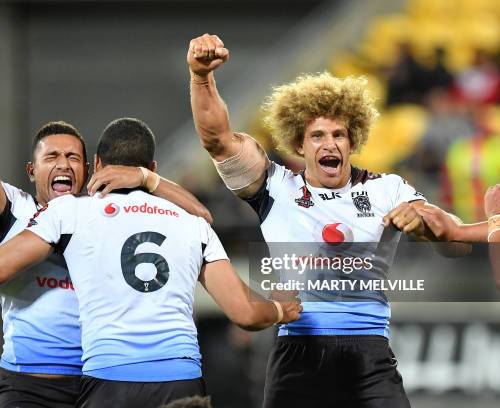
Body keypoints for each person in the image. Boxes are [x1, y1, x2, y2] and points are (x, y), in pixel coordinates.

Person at [0, 9, 211, 407]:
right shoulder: (13, 212)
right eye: (52, 156)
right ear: (32, 170)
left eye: (74, 157)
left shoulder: (101, 217)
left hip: (97, 383)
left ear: (89, 170)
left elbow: (200, 218)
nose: (64, 164)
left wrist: (147, 178)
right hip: (29, 385)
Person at [187, 33, 450, 408]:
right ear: (299, 143)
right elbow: (217, 140)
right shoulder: (275, 186)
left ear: (352, 140)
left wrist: (427, 224)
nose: (330, 144)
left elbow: (453, 242)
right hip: (298, 354)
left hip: (369, 357)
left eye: (339, 134)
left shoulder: (389, 189)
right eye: (318, 135)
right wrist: (201, 78)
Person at [0, 117, 303, 408]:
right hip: (180, 380)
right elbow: (245, 313)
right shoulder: (191, 223)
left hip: (109, 381)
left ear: (97, 165)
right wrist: (279, 309)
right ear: (153, 168)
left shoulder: (71, 212)